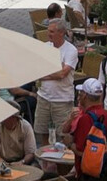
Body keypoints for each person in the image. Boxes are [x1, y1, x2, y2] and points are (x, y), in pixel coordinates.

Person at [34, 19, 79, 147]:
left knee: (63, 135)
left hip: (62, 100)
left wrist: (46, 75)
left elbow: (62, 74)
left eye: (52, 31)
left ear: (61, 32)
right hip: (44, 97)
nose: (49, 34)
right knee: (43, 132)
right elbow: (38, 72)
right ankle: (45, 162)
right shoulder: (45, 47)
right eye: (48, 31)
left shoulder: (71, 50)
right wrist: (56, 71)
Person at [69, 79, 107, 181]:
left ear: (84, 96)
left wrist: (70, 144)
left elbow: (80, 150)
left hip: (92, 174)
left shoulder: (85, 119)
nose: (79, 97)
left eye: (80, 94)